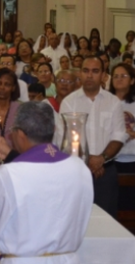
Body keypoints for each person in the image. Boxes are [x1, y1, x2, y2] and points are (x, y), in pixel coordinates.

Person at [0, 102, 93, 264]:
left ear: (20, 134)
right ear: (53, 131)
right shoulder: (80, 169)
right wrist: (9, 159)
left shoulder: (9, 175)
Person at [60, 55, 126, 218]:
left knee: (107, 222)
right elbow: (68, 136)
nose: (89, 75)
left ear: (104, 75)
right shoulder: (69, 102)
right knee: (75, 221)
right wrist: (88, 160)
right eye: (86, 71)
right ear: (80, 74)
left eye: (95, 71)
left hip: (106, 172)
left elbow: (118, 136)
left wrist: (100, 159)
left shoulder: (113, 102)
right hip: (76, 171)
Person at [109, 63, 135, 212]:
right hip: (112, 160)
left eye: (123, 76)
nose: (119, 79)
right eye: (116, 76)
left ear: (132, 80)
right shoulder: (105, 102)